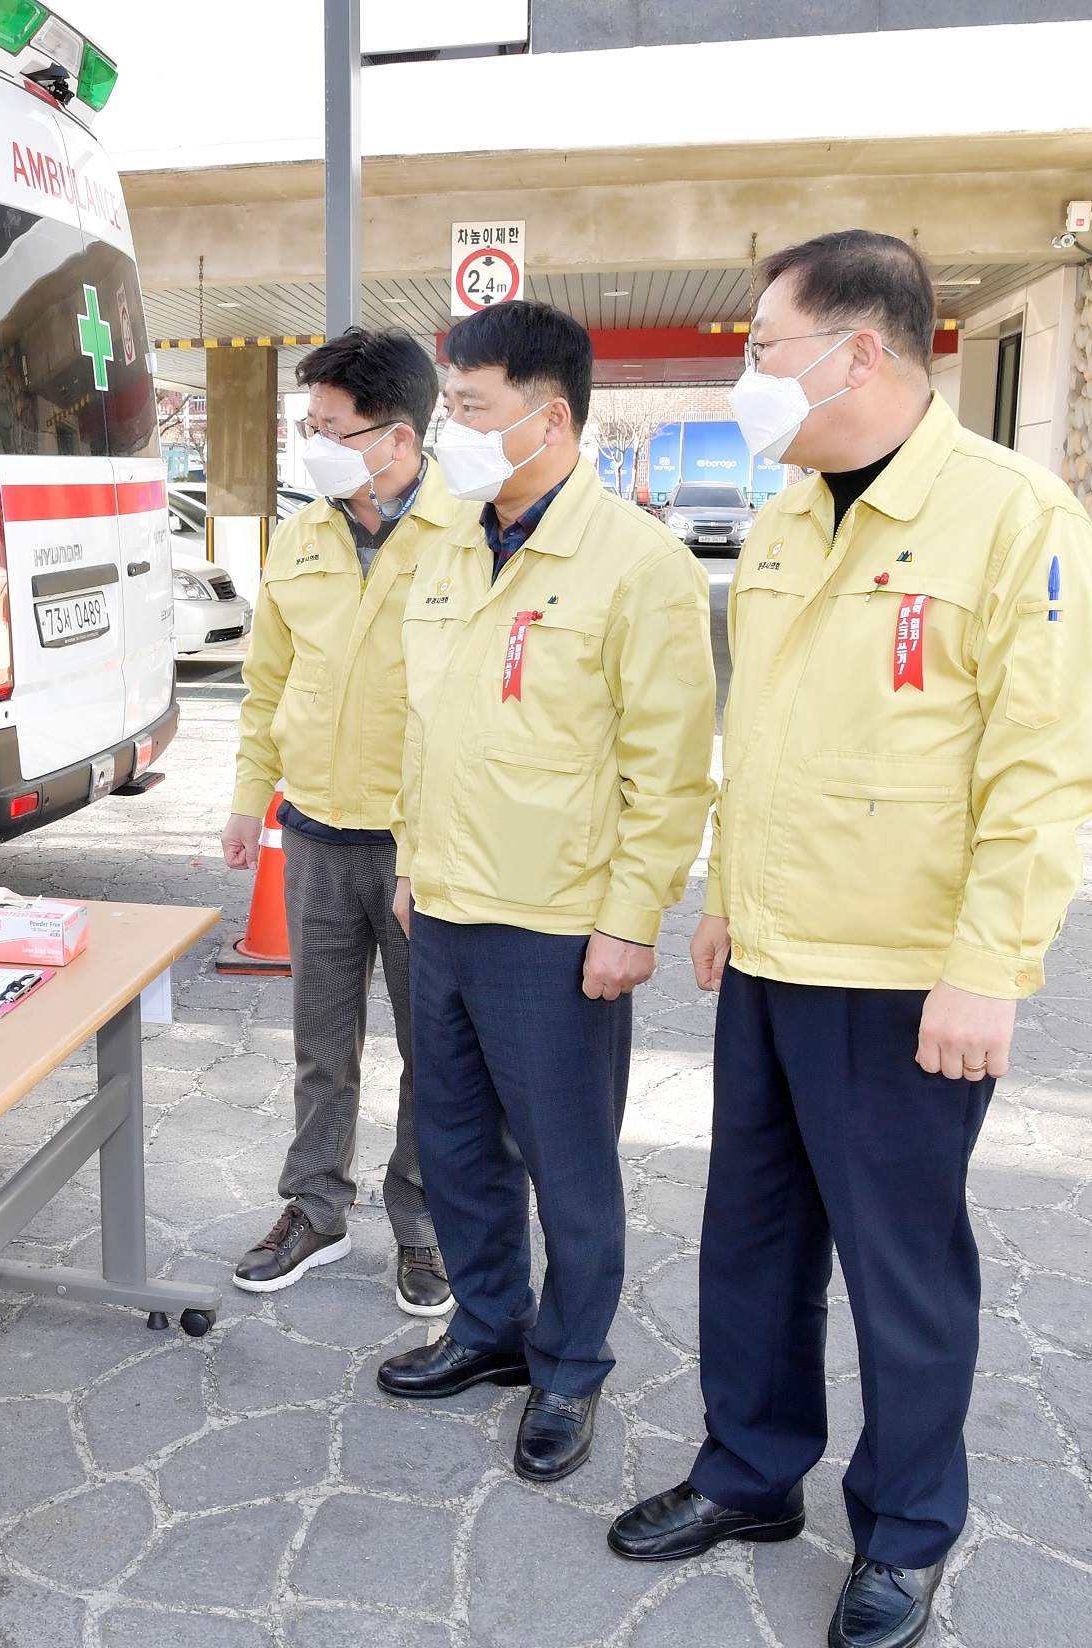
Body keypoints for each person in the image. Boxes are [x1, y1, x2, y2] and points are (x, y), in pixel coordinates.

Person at [606, 232, 1092, 1648]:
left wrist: (990, 966)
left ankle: (905, 1527)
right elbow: (762, 733)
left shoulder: (1012, 517)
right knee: (752, 1242)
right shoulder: (785, 516)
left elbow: (1043, 772)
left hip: (905, 976)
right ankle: (750, 1473)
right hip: (775, 952)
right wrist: (724, 892)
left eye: (763, 347)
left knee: (902, 1271)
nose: (746, 374)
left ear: (860, 352)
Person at [378, 301, 716, 1485]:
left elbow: (669, 766)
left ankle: (568, 1365)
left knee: (567, 1163)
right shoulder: (446, 543)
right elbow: (426, 728)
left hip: (558, 924)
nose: (449, 431)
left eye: (469, 408)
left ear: (549, 418)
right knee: (455, 1141)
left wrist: (632, 918)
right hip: (445, 903)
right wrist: (411, 861)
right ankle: (488, 1327)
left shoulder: (637, 564)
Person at [222, 327, 456, 1317]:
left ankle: (426, 1223)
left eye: (330, 427)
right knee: (322, 1046)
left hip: (422, 848)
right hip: (316, 834)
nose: (311, 444)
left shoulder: (468, 531)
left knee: (435, 1054)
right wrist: (250, 798)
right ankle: (315, 1207)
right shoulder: (303, 534)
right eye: (306, 424)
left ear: (397, 437)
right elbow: (267, 682)